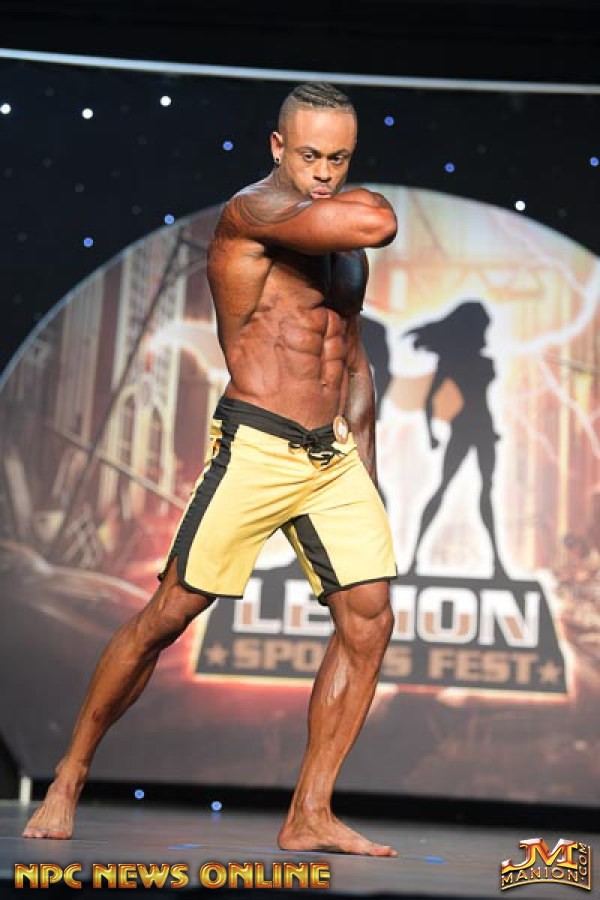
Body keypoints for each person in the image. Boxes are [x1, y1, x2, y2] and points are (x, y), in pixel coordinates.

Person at [23, 82, 398, 856]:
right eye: (310, 155)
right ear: (276, 147)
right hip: (258, 444)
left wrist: (364, 459)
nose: (324, 172)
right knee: (169, 614)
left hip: (331, 456)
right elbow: (379, 219)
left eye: (339, 159)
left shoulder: (342, 252)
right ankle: (69, 774)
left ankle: (310, 812)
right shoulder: (253, 212)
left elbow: (352, 357)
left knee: (369, 619)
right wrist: (352, 198)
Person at [404, 299, 507, 579]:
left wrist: (432, 435)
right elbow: (428, 400)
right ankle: (413, 560)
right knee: (445, 488)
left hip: (484, 431)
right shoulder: (456, 362)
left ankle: (498, 564)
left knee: (484, 491)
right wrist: (431, 435)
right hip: (467, 429)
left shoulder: (471, 360)